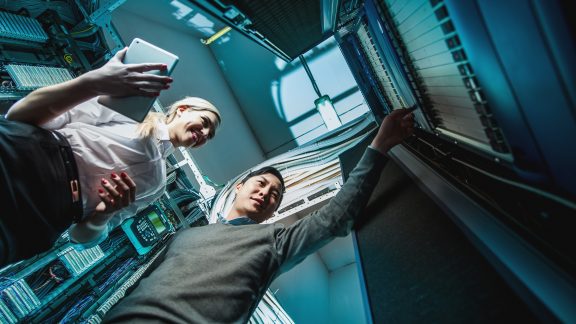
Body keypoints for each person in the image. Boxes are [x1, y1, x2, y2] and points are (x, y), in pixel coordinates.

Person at [103, 108, 415, 323]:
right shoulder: (185, 235)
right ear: (238, 186)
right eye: (261, 183)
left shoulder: (274, 241)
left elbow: (334, 218)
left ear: (273, 211)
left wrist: (380, 145)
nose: (266, 193)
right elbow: (137, 285)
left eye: (274, 195)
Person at [0, 47, 222, 266]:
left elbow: (80, 239)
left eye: (209, 136)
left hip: (43, 216)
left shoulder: (158, 184)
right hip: (23, 159)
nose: (203, 133)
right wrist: (93, 83)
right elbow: (19, 116)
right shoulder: (129, 112)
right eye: (204, 123)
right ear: (182, 109)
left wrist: (103, 215)